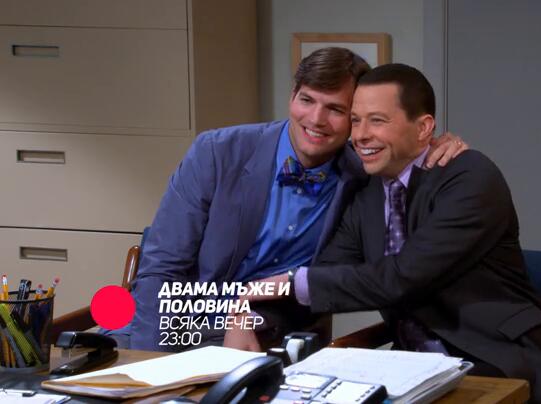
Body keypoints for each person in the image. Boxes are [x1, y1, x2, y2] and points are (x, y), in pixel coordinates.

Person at [224, 63, 541, 404]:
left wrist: (289, 281)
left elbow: (403, 277)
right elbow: (329, 274)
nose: (360, 135)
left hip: (498, 355)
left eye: (377, 121)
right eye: (356, 120)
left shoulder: (470, 176)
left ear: (423, 128)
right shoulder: (364, 193)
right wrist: (248, 314)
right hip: (412, 366)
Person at [126, 48, 467, 352]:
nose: (316, 119)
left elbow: (328, 285)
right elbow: (162, 267)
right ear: (292, 96)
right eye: (307, 100)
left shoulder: (364, 179)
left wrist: (434, 147)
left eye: (335, 109)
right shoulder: (217, 152)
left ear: (355, 119)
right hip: (163, 328)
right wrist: (150, 365)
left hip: (262, 338)